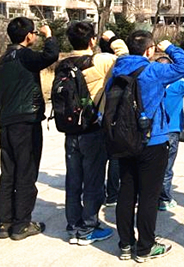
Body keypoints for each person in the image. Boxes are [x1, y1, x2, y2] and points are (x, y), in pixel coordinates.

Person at [109, 31, 184, 262]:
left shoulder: (117, 69)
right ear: (149, 50)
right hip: (152, 140)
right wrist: (170, 48)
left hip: (124, 139)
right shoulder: (153, 70)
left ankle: (125, 244)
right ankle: (145, 247)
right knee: (148, 195)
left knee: (126, 192)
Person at [0, 17, 59, 240]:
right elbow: (50, 56)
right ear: (29, 36)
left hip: (7, 123)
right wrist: (49, 36)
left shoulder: (1, 61)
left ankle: (5, 221)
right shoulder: (24, 55)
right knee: (26, 171)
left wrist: (3, 118)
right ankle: (21, 223)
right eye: (34, 34)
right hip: (26, 122)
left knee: (8, 171)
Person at [63, 22, 128, 245]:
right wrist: (113, 39)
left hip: (70, 130)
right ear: (92, 40)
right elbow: (126, 57)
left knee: (73, 180)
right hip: (93, 129)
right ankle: (88, 228)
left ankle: (73, 225)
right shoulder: (100, 61)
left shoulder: (64, 64)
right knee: (93, 181)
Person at [156, 56, 184, 211]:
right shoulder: (177, 86)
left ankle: (148, 195)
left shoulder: (152, 84)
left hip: (154, 131)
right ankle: (164, 199)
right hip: (172, 130)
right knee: (167, 167)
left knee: (152, 166)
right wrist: (179, 70)